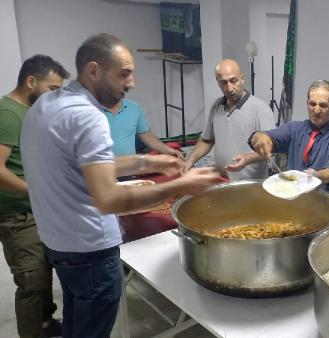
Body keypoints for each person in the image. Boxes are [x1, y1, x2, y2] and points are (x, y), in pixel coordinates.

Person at [20, 33, 221, 338]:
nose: (132, 83)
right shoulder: (88, 117)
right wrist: (180, 185)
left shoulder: (46, 105)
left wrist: (148, 163)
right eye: (124, 73)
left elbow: (86, 166)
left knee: (76, 323)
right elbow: (108, 198)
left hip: (57, 242)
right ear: (94, 71)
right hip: (90, 251)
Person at [0, 54, 69, 338]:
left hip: (37, 210)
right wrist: (35, 189)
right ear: (31, 81)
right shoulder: (7, 114)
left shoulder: (27, 111)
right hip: (17, 215)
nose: (54, 96)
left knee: (43, 271)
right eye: (52, 89)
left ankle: (46, 324)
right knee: (31, 281)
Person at [242, 80, 329, 197]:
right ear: (307, 103)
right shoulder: (294, 129)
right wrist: (259, 138)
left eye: (323, 105)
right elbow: (264, 137)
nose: (316, 110)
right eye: (312, 104)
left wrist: (314, 176)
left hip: (324, 203)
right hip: (294, 200)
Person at [184, 59, 275, 180]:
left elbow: (270, 150)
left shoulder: (260, 109)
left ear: (242, 78)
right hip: (222, 180)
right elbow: (207, 140)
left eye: (234, 81)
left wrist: (247, 159)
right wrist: (190, 160)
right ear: (218, 83)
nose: (229, 88)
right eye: (223, 83)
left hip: (249, 186)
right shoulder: (216, 106)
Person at [102, 98, 183, 158]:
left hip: (130, 173)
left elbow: (146, 135)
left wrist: (169, 151)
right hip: (100, 175)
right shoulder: (91, 110)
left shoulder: (133, 108)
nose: (130, 84)